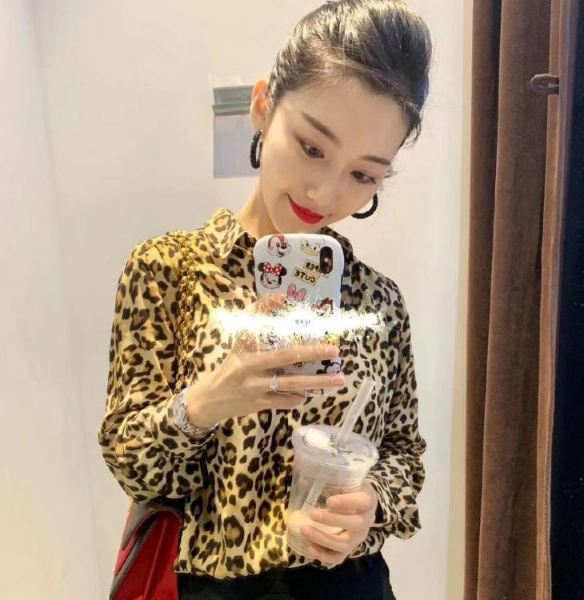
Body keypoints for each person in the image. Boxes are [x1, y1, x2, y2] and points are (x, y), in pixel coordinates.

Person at [99, 1, 432, 598]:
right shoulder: (168, 270)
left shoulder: (380, 302)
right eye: (312, 147)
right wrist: (204, 403)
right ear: (262, 106)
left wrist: (370, 503)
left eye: (363, 175)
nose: (323, 192)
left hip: (349, 587)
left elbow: (405, 455)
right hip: (211, 587)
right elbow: (130, 461)